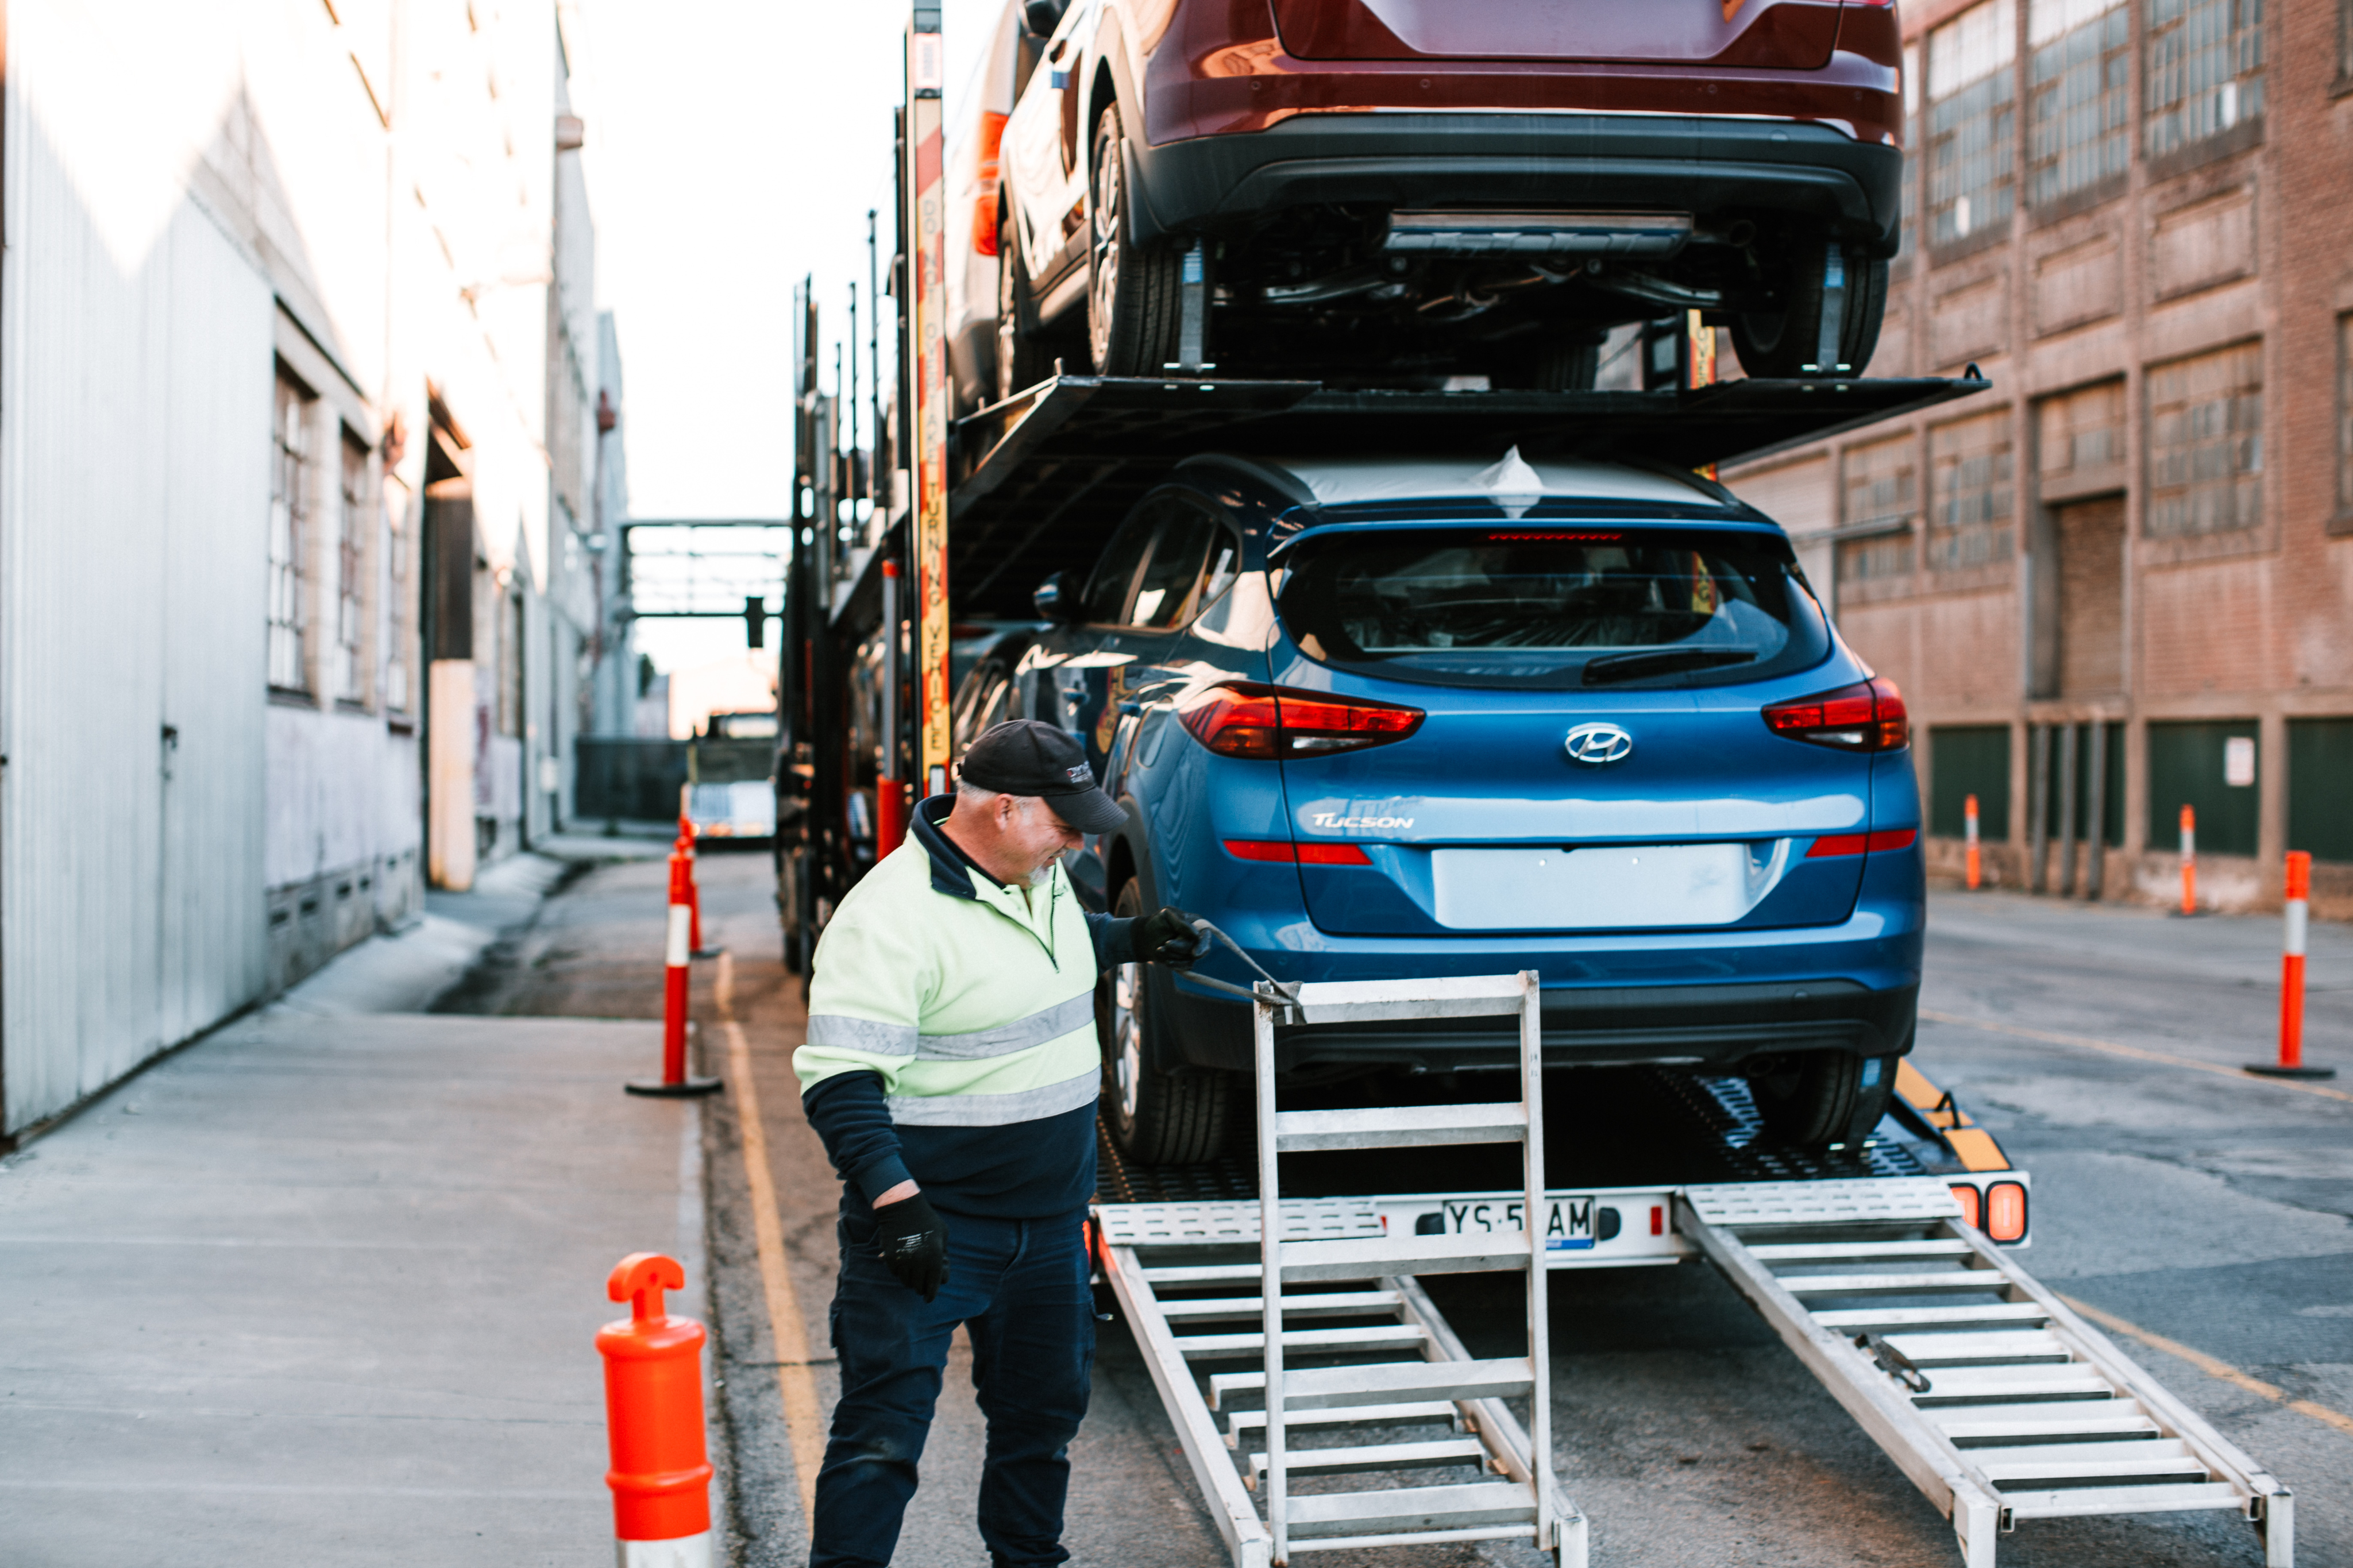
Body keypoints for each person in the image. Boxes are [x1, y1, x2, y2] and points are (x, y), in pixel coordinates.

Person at [792, 719, 1206, 1568]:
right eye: (1065, 823)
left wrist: (1131, 940)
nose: (1078, 841)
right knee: (880, 1438)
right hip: (931, 1229)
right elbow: (840, 1081)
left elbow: (1046, 953)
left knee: (1039, 1425)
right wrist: (896, 1203)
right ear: (1004, 809)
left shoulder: (1036, 876)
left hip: (1049, 1227)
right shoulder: (889, 918)